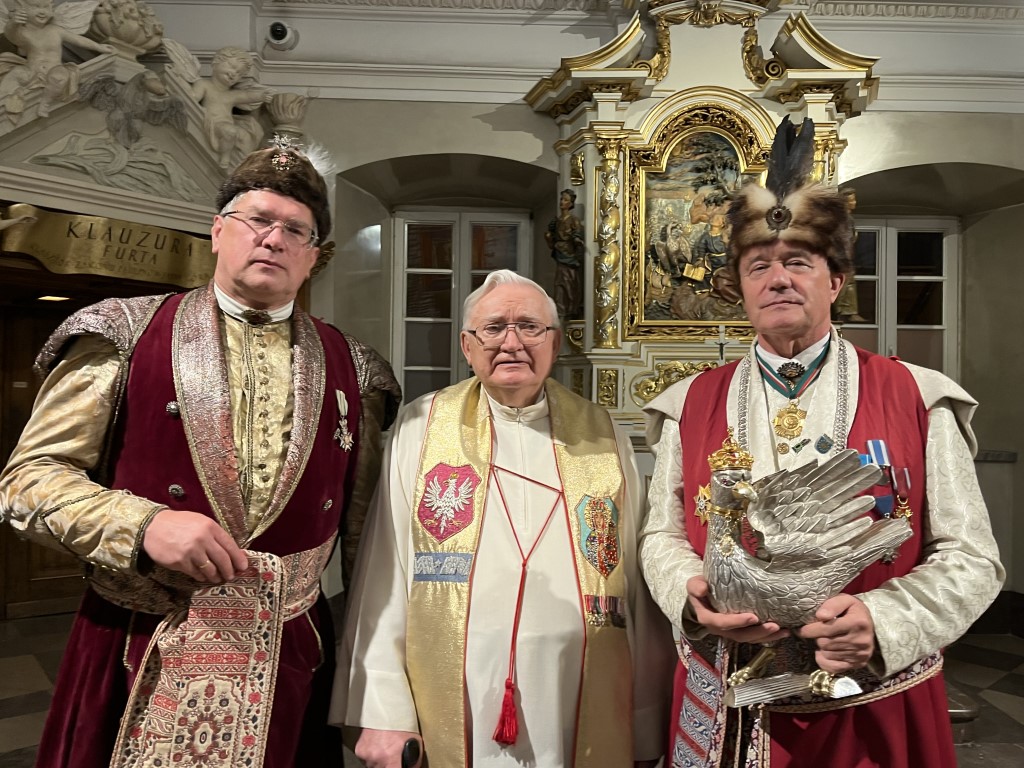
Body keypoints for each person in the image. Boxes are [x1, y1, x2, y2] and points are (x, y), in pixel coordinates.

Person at [0, 144, 400, 768]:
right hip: (137, 638)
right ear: (217, 231)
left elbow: (366, 543)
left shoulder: (359, 370)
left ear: (313, 256)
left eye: (295, 230)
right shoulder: (120, 333)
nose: (273, 238)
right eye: (256, 220)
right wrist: (142, 525)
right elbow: (27, 481)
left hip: (291, 652)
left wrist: (376, 686)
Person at [639, 117, 1004, 768]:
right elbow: (660, 536)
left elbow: (972, 556)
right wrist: (689, 595)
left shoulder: (918, 396)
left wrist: (882, 622)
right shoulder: (686, 404)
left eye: (798, 263)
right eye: (759, 266)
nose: (778, 279)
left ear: (835, 281)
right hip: (726, 700)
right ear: (740, 290)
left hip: (874, 707)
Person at [333, 270, 673, 768]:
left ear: (555, 342)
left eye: (529, 327)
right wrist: (384, 710)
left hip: (578, 693)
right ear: (467, 346)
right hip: (454, 690)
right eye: (493, 328)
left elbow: (634, 589)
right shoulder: (422, 427)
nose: (511, 343)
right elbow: (385, 570)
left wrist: (644, 722)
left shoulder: (603, 434)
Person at [545, 188, 585, 321]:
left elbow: (577, 235)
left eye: (565, 200)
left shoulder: (574, 220)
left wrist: (577, 240)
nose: (562, 202)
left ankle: (571, 308)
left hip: (569, 255)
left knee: (569, 281)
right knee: (559, 283)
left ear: (571, 203)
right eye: (561, 199)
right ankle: (561, 309)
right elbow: (551, 238)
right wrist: (549, 237)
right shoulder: (556, 221)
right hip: (559, 253)